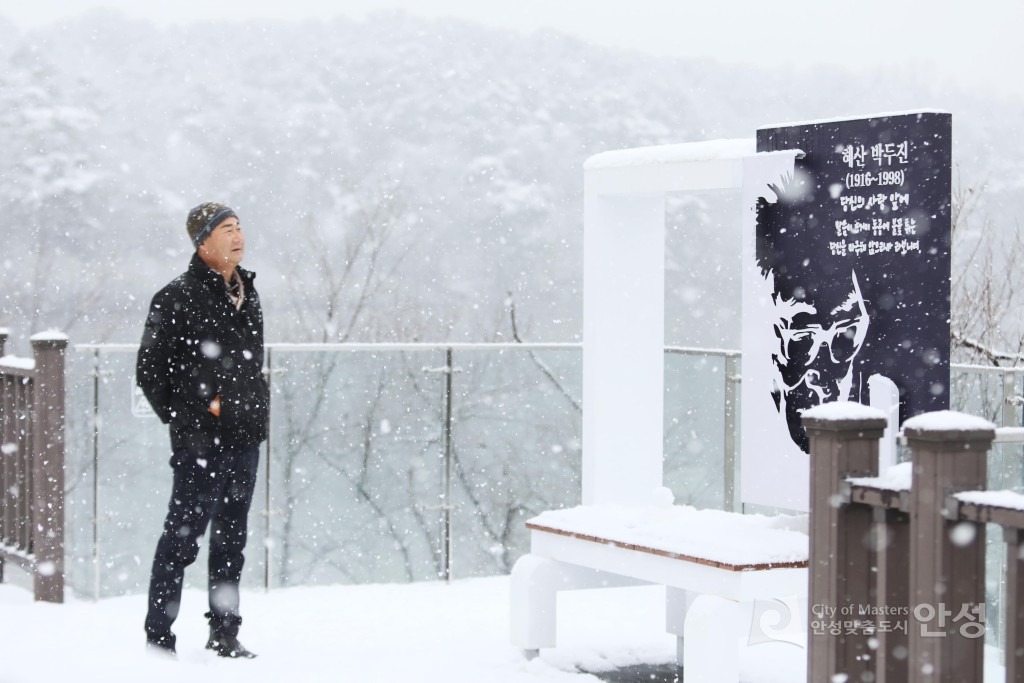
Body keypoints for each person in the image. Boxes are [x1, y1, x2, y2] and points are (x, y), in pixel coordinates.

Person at [136, 202, 269, 658]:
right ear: (203, 242)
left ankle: (225, 632)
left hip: (245, 438)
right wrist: (197, 413)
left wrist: (252, 406)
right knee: (181, 540)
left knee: (232, 540)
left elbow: (253, 364)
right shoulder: (174, 297)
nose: (238, 236)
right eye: (226, 229)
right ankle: (159, 639)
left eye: (240, 227)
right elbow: (150, 373)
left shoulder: (247, 292)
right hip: (201, 445)